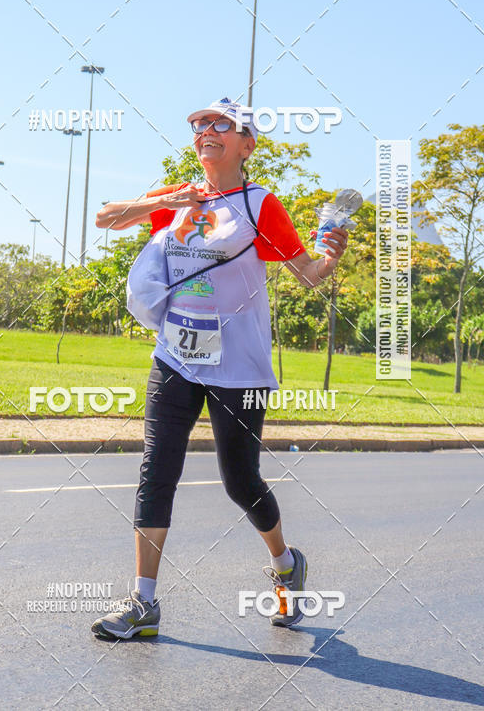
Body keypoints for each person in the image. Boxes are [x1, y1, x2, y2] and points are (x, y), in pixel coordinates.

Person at [91, 97, 349, 640]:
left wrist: (331, 250)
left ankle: (285, 565)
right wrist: (164, 201)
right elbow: (105, 218)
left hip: (240, 368)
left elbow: (307, 274)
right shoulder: (179, 198)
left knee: (241, 481)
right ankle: (143, 604)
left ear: (246, 143)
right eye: (198, 123)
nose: (205, 130)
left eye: (220, 124)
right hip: (175, 357)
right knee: (156, 472)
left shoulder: (260, 206)